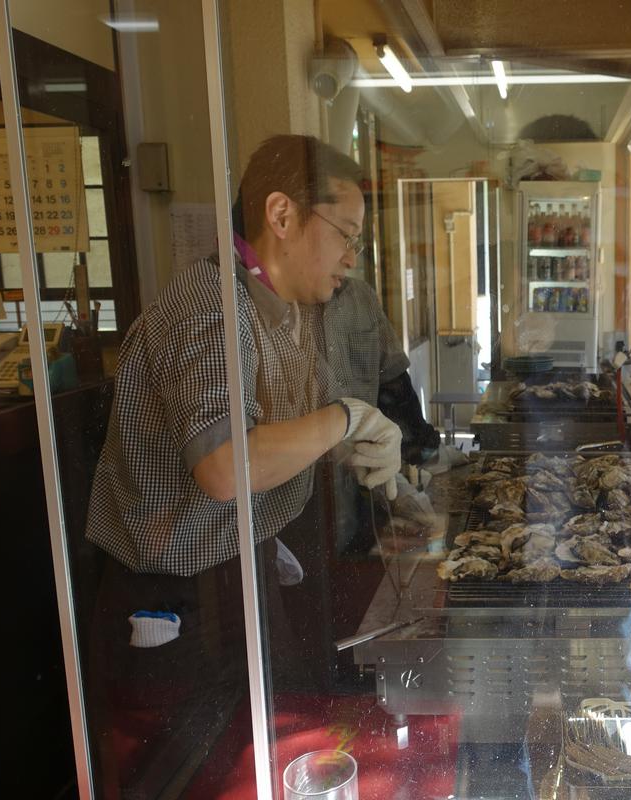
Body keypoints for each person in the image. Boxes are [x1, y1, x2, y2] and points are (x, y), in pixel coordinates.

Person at [83, 134, 403, 796]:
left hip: (241, 574)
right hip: (171, 596)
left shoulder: (281, 312)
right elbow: (225, 465)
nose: (352, 257)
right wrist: (349, 418)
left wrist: (378, 453)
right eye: (345, 235)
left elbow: (310, 427)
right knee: (184, 774)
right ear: (282, 215)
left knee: (263, 756)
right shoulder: (209, 306)